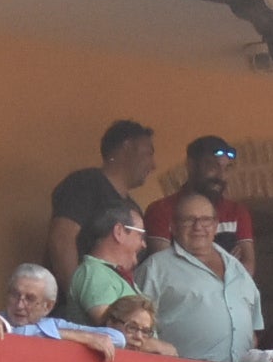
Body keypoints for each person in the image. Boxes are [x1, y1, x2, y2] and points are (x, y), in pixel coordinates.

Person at [139, 193, 266, 362]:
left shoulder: (238, 269)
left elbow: (253, 332)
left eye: (205, 220)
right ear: (174, 227)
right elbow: (135, 327)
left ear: (215, 225)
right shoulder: (155, 268)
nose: (198, 226)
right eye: (188, 220)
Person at [44, 118, 156, 284]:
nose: (153, 165)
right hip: (73, 305)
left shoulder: (133, 209)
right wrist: (78, 296)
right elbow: (61, 239)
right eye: (148, 153)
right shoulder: (84, 183)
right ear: (126, 146)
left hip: (114, 305)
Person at [143, 135, 258, 267]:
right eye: (213, 167)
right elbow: (164, 268)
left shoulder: (237, 212)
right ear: (191, 165)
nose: (221, 176)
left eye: (226, 168)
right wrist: (224, 264)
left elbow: (247, 267)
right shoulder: (161, 210)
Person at [64, 198, 153, 331]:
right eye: (140, 235)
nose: (143, 244)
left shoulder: (109, 273)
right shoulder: (95, 273)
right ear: (119, 232)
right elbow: (119, 331)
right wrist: (160, 347)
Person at [0, 264, 122, 357]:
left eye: (30, 299)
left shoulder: (54, 325)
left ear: (48, 307)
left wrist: (77, 336)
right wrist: (65, 335)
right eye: (15, 295)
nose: (20, 305)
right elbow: (15, 333)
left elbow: (118, 338)